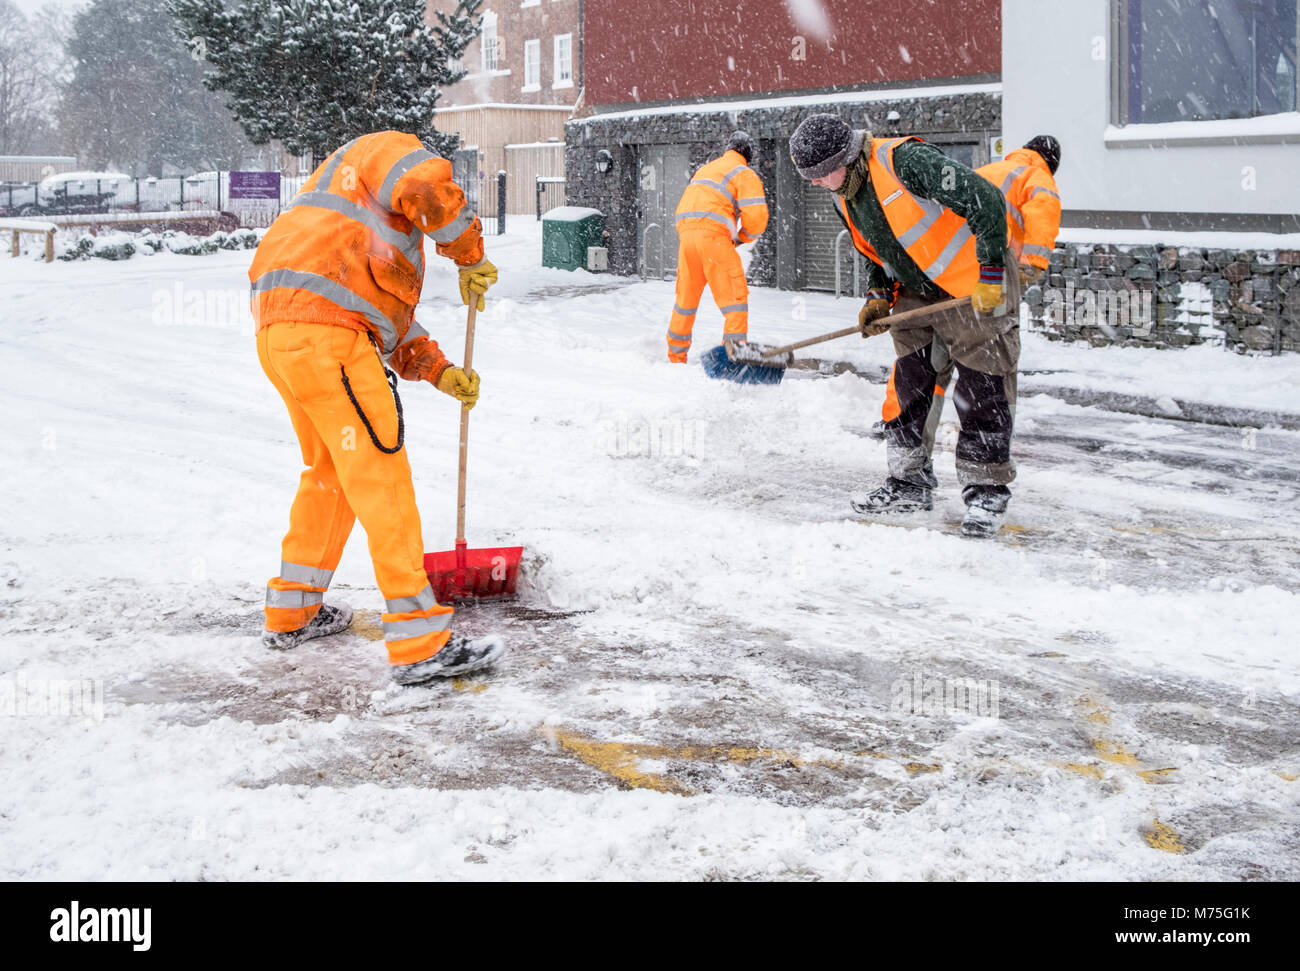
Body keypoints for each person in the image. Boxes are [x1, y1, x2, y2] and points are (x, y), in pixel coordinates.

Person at [249, 130, 505, 684]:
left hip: (286, 335)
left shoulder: (342, 214)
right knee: (380, 475)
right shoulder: (389, 149)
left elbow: (374, 317)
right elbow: (424, 186)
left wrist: (439, 370)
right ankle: (419, 642)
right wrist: (469, 254)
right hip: (328, 342)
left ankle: (293, 611)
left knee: (332, 474)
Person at [788, 113, 1024, 537]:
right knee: (909, 385)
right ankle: (908, 483)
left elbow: (984, 198)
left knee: (982, 386)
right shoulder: (844, 191)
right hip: (917, 291)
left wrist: (990, 272)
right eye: (811, 177)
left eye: (820, 174)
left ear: (844, 156)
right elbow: (876, 250)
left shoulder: (906, 161)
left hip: (972, 283)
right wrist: (878, 296)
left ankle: (986, 493)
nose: (816, 183)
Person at [869, 135, 1063, 470]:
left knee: (924, 368)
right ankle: (986, 468)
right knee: (986, 373)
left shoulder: (992, 168)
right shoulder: (1038, 176)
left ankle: (900, 431)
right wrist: (1032, 264)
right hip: (987, 276)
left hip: (948, 273)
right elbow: (1042, 213)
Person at [666, 131, 769, 362]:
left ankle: (675, 355)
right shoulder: (743, 172)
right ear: (748, 155)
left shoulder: (708, 169)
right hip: (714, 238)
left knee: (685, 300)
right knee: (735, 300)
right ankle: (732, 356)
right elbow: (757, 218)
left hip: (687, 237)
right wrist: (742, 237)